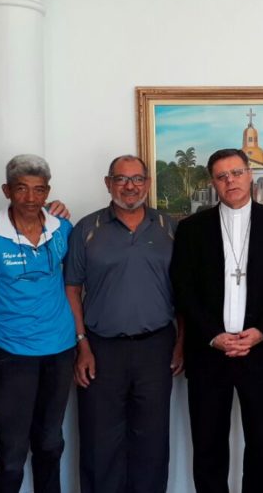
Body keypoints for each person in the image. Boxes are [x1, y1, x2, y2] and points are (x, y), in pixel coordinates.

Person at [170, 148, 263, 493]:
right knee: (208, 444)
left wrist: (261, 332)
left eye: (237, 173)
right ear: (213, 182)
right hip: (209, 351)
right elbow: (183, 288)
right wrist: (213, 334)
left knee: (262, 443)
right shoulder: (192, 228)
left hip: (260, 349)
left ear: (249, 175)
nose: (231, 181)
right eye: (222, 176)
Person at [64, 155, 183, 493]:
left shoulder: (169, 228)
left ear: (147, 183)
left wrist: (180, 342)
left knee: (152, 440)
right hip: (101, 348)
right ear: (108, 183)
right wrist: (82, 344)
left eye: (137, 179)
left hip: (156, 346)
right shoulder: (87, 229)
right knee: (100, 440)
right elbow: (72, 288)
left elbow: (185, 291)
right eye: (121, 179)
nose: (130, 186)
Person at [0, 154, 76, 493]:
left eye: (39, 190)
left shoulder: (63, 228)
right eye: (21, 189)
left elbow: (76, 287)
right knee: (12, 452)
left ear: (48, 192)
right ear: (7, 190)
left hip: (60, 351)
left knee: (49, 444)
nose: (31, 199)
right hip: (12, 354)